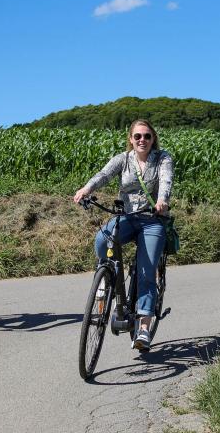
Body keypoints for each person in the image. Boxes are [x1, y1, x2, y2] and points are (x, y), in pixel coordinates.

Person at [74, 119, 173, 350]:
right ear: (131, 139)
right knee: (103, 239)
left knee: (146, 272)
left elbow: (166, 180)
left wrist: (162, 200)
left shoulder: (162, 158)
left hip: (152, 220)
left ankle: (144, 328)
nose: (142, 140)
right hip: (127, 217)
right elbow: (104, 174)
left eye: (147, 136)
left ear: (153, 139)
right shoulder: (123, 159)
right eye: (137, 136)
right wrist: (86, 189)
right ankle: (106, 277)